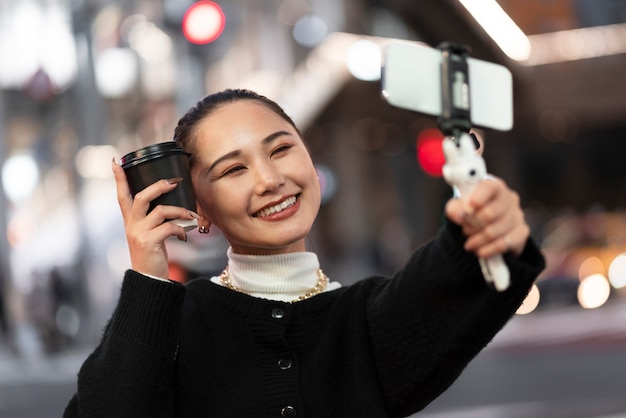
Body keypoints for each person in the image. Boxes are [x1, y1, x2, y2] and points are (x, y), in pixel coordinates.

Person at [64, 89, 545, 418]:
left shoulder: (365, 321)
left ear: (312, 163)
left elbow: (450, 277)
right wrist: (148, 280)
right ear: (199, 209)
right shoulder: (173, 329)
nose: (270, 179)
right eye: (233, 170)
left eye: (281, 150)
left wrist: (485, 225)